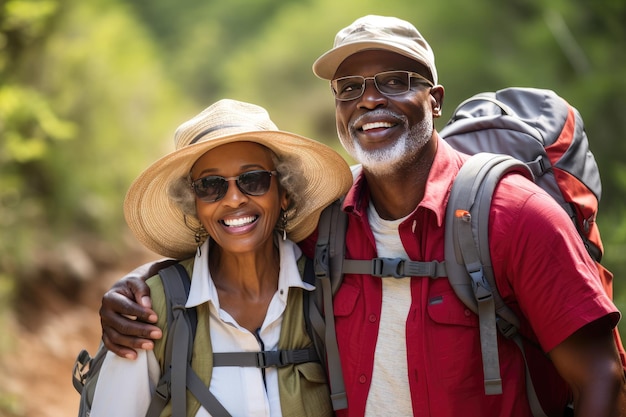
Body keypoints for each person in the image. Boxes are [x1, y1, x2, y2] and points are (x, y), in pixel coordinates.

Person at [98, 15, 626, 417]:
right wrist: (138, 286)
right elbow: (239, 241)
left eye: (394, 81)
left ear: (435, 99)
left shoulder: (514, 216)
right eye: (350, 88)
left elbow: (602, 376)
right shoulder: (325, 221)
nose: (369, 100)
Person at [88, 98, 353, 417]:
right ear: (195, 206)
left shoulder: (327, 294)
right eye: (211, 186)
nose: (234, 199)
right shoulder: (149, 314)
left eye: (253, 179)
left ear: (284, 193)